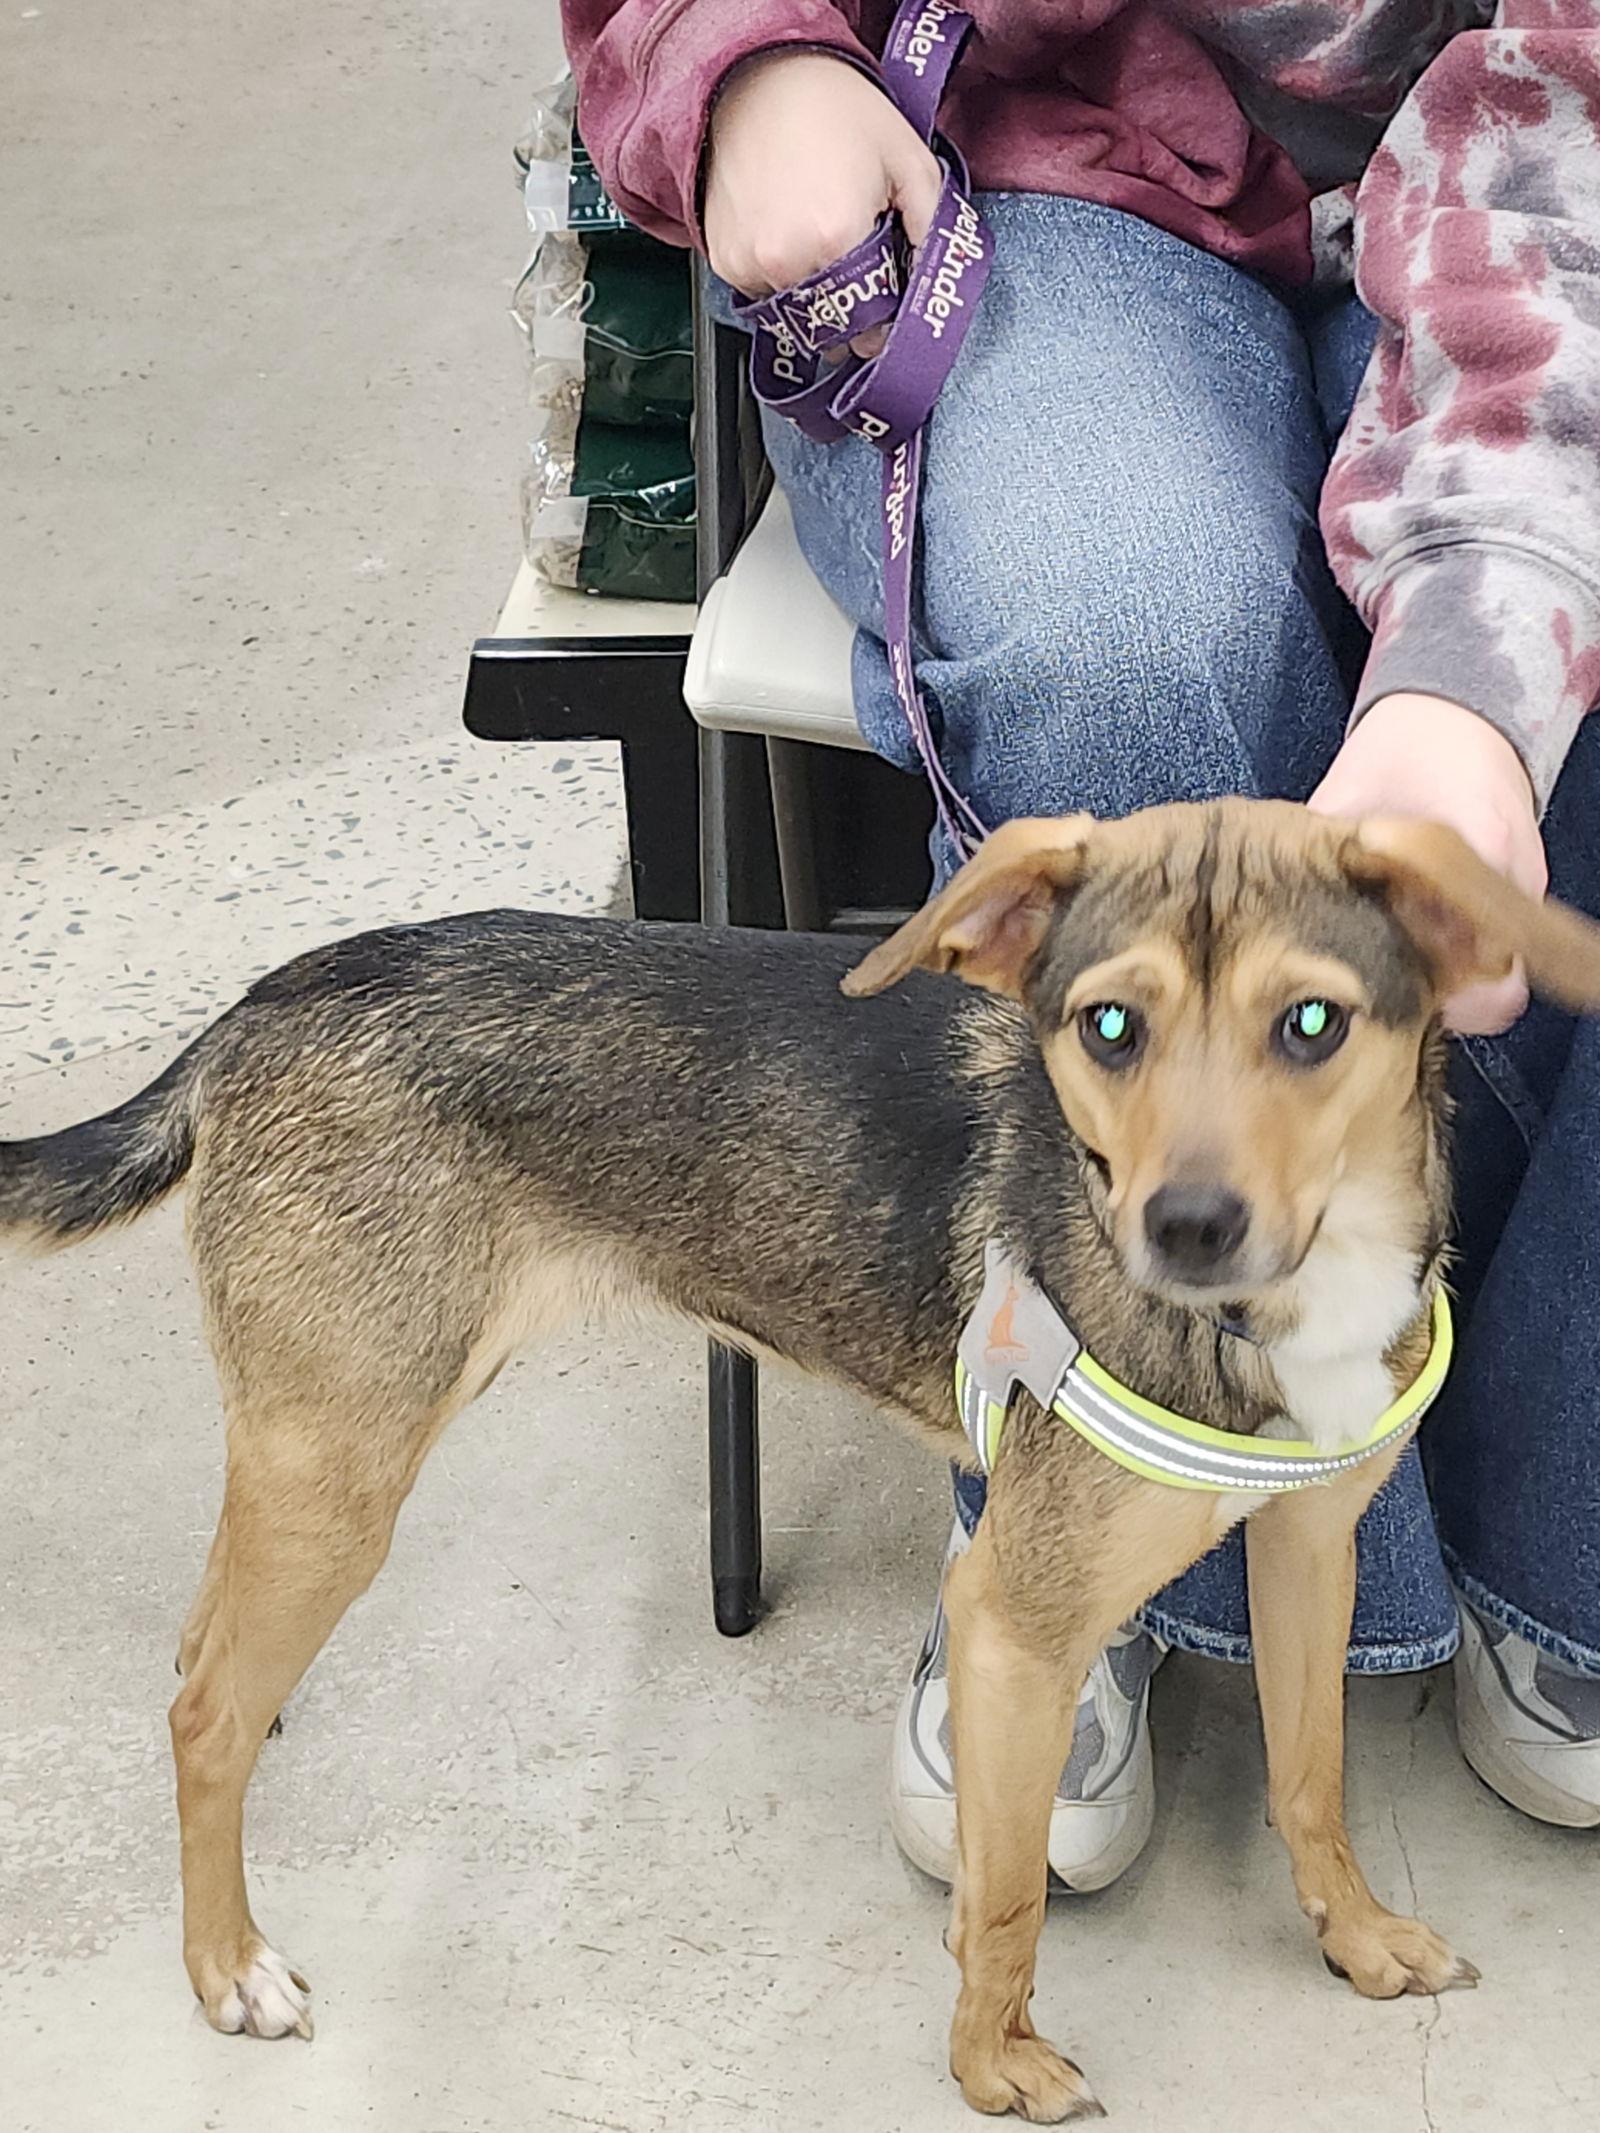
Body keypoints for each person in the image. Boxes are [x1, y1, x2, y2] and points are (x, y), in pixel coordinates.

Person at [561, 0, 1600, 1875]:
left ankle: (1567, 1519)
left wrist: (1483, 628)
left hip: (1561, 171)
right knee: (1124, 640)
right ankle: (1076, 1540)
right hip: (1036, 150)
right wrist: (750, 55)